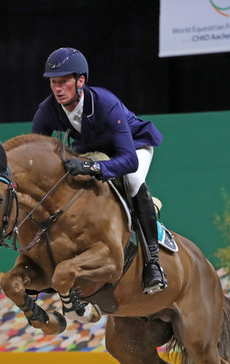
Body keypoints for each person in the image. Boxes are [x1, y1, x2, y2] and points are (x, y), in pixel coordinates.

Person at [32, 47, 167, 294]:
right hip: (93, 150)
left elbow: (128, 160)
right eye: (53, 82)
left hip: (133, 147)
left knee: (134, 181)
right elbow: (36, 153)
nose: (57, 88)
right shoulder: (48, 109)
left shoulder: (105, 103)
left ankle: (153, 264)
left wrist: (92, 167)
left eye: (64, 82)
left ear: (80, 80)